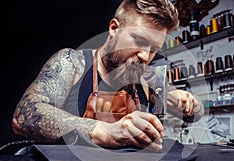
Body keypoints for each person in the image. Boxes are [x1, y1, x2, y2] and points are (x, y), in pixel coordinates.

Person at [12, 0, 204, 152]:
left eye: (154, 49)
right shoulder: (73, 62)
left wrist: (187, 104)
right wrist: (105, 132)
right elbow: (25, 115)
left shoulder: (148, 77)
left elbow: (196, 115)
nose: (145, 56)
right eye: (139, 40)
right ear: (114, 28)